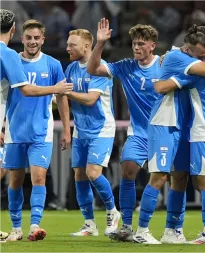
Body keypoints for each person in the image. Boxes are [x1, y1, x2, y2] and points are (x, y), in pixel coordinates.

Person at [133, 25, 205, 244]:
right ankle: (142, 231)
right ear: (187, 48)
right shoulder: (177, 57)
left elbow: (166, 85)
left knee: (189, 180)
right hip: (166, 122)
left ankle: (174, 231)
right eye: (199, 54)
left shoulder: (203, 62)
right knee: (164, 177)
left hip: (192, 128)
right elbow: (161, 87)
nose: (203, 57)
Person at [86, 18, 163, 241]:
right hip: (139, 133)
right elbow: (92, 68)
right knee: (127, 171)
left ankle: (173, 230)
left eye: (141, 43)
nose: (137, 47)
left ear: (152, 45)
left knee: (181, 180)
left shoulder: (165, 64)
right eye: (134, 43)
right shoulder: (125, 66)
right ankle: (127, 227)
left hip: (165, 131)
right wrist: (99, 43)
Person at [1, 13, 72, 242]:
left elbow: (62, 97)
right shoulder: (12, 61)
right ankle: (15, 228)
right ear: (20, 38)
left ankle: (35, 225)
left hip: (41, 130)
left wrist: (67, 129)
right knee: (15, 180)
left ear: (43, 39)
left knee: (39, 177)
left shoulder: (52, 64)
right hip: (15, 130)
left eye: (37, 37)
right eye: (29, 37)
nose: (33, 41)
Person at [64, 29, 120, 237]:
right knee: (79, 175)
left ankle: (112, 211)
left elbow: (89, 99)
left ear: (87, 46)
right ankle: (89, 224)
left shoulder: (100, 69)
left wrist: (65, 92)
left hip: (101, 129)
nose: (67, 48)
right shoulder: (70, 68)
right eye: (68, 44)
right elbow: (62, 96)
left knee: (93, 173)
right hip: (80, 129)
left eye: (72, 45)